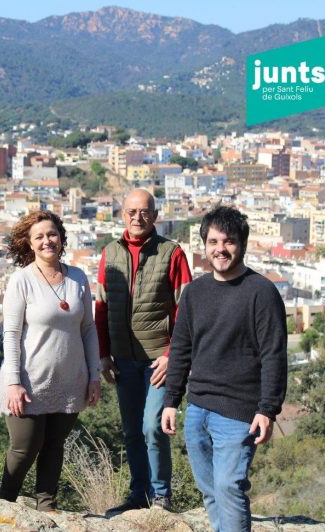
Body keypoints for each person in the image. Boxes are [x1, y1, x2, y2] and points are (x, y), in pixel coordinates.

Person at [162, 206, 287, 531]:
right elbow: (181, 348)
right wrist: (171, 400)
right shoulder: (195, 292)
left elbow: (274, 354)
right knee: (211, 490)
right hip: (198, 409)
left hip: (238, 412)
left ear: (242, 243)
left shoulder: (261, 292)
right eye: (214, 241)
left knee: (230, 487)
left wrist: (268, 409)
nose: (220, 249)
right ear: (204, 244)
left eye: (228, 241)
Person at [0, 210, 101, 512]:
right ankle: (5, 504)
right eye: (39, 236)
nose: (46, 241)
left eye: (51, 234)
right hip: (28, 380)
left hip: (70, 380)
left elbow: (88, 329)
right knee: (25, 447)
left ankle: (46, 504)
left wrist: (94, 375)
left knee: (54, 446)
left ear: (62, 238)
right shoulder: (21, 280)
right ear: (29, 243)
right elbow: (11, 334)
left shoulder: (77, 277)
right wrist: (13, 382)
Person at [96, 188, 192, 515]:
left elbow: (185, 309)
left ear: (155, 215)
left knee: (152, 425)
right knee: (132, 430)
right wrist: (103, 354)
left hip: (158, 359)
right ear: (122, 214)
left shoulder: (171, 253)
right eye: (131, 211)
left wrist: (172, 356)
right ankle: (140, 493)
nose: (138, 218)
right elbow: (101, 308)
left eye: (145, 212)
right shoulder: (110, 253)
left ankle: (162, 495)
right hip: (123, 358)